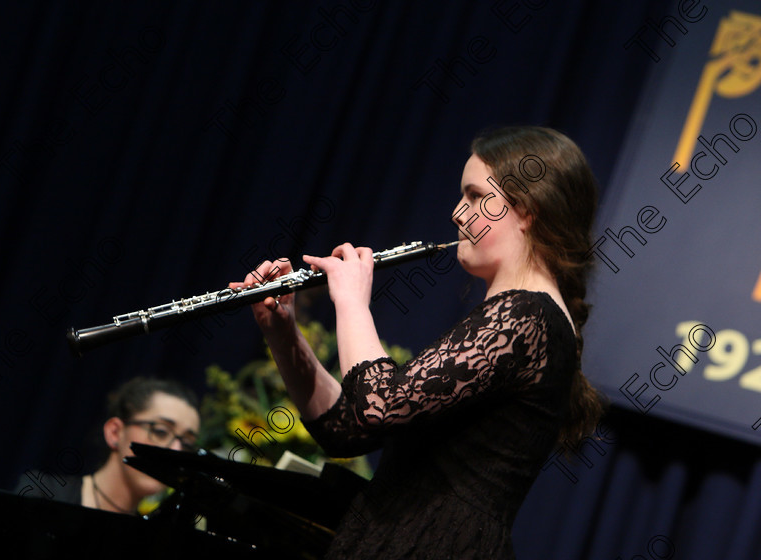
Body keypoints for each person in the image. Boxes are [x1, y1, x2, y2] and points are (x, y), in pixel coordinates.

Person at [230, 126, 605, 558]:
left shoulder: (527, 317)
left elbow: (380, 407)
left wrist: (351, 301)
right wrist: (282, 333)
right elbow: (346, 430)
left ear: (526, 210)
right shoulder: (518, 317)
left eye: (475, 196)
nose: (456, 213)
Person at [16, 377, 201, 515]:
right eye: (161, 432)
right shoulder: (44, 495)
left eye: (186, 443)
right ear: (115, 432)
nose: (176, 451)